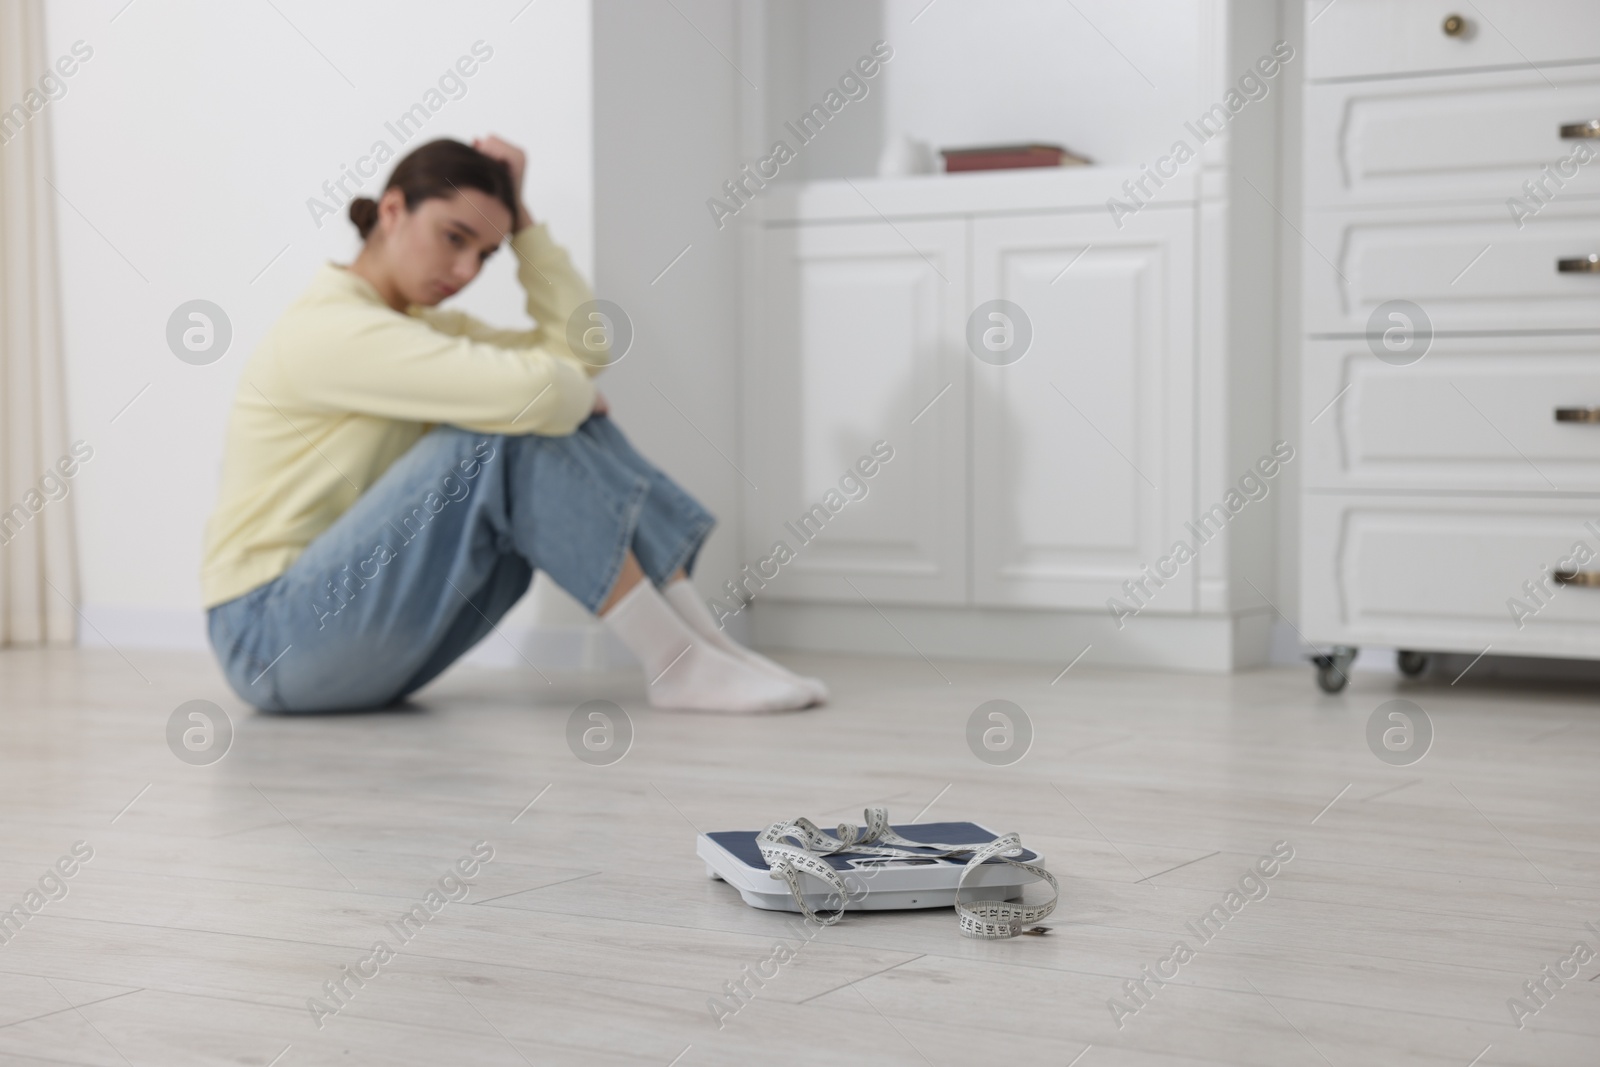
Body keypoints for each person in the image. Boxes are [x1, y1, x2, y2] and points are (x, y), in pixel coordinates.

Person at [201, 136, 824, 714]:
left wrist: (522, 222)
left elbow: (583, 349)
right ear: (392, 210)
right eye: (455, 237)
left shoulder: (421, 330)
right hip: (268, 637)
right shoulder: (330, 330)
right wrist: (565, 396)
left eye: (486, 253)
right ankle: (677, 659)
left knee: (534, 416)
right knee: (503, 434)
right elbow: (546, 389)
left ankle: (698, 640)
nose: (468, 270)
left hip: (348, 632)